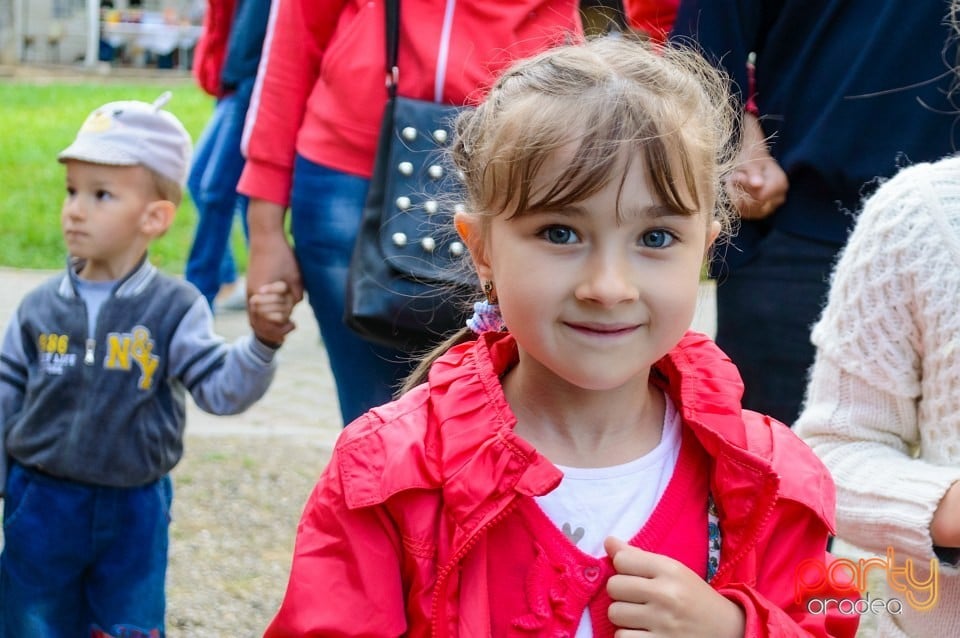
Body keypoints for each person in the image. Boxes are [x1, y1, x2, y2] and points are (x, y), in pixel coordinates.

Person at [261, 36, 858, 637]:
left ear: (703, 248)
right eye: (560, 233)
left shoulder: (776, 480)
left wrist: (734, 629)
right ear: (483, 248)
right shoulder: (388, 475)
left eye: (655, 239)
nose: (608, 286)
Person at [0, 94, 294, 637]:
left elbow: (220, 391)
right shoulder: (40, 307)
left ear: (155, 217)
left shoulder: (173, 308)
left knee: (126, 625)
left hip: (134, 509)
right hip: (40, 500)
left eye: (100, 194)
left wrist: (261, 344)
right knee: (30, 620)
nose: (75, 209)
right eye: (72, 191)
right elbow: (5, 392)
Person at [237, 0, 584, 425]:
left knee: (497, 420)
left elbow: (567, 32)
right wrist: (265, 226)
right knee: (372, 419)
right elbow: (293, 36)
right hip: (348, 169)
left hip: (511, 162)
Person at [669, 0, 959, 426]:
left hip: (942, 234)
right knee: (778, 479)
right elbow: (696, 55)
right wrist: (736, 142)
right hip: (798, 243)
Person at [185, 0, 271, 311]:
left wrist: (245, 81)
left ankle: (198, 295)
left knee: (213, 189)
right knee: (229, 190)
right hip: (233, 83)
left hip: (248, 82)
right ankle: (252, 285)